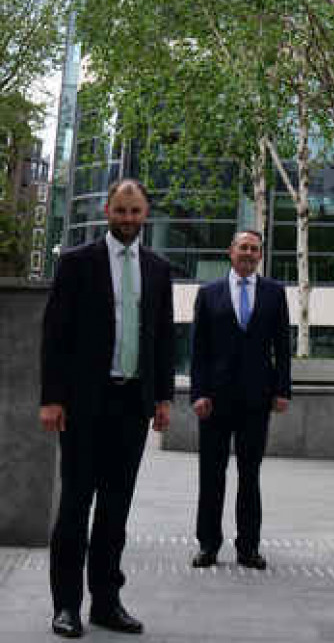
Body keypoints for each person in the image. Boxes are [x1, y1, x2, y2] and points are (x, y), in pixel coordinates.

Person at [40, 178, 174, 639]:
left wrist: (162, 398)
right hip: (82, 405)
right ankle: (65, 606)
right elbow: (55, 335)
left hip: (132, 405)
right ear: (106, 210)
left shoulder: (158, 268)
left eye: (136, 212)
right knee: (76, 505)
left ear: (146, 214)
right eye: (121, 211)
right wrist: (52, 398)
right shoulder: (77, 263)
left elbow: (162, 336)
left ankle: (106, 601)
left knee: (116, 511)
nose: (128, 220)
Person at [189, 228, 291, 570]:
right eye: (243, 247)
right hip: (214, 401)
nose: (249, 253)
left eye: (255, 249)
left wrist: (281, 390)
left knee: (250, 475)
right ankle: (208, 544)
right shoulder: (208, 294)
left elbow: (282, 348)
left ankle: (248, 547)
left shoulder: (275, 294)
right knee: (211, 475)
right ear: (230, 252)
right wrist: (199, 392)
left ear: (260, 255)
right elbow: (198, 350)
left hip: (256, 401)